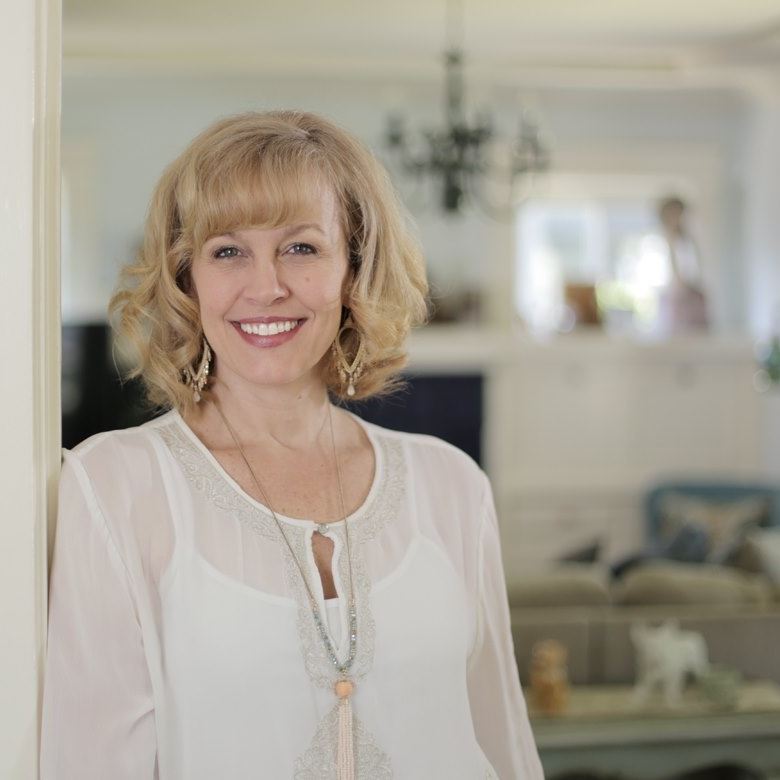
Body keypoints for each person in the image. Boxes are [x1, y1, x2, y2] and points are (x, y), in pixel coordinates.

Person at [40, 110, 542, 779]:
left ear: (354, 268)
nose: (267, 286)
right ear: (186, 279)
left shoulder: (452, 486)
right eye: (227, 251)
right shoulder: (115, 486)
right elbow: (88, 761)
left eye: (301, 248)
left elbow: (501, 744)